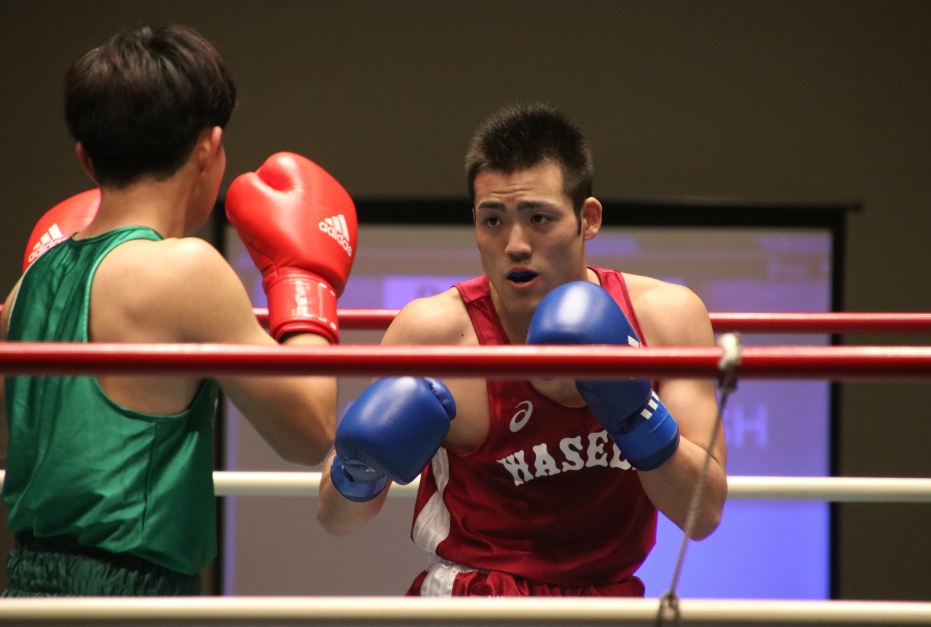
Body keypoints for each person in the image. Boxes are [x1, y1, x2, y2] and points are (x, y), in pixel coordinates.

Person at [0, 25, 357, 596]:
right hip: (130, 597)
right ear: (208, 148)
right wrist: (304, 282)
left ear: (86, 159)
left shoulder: (30, 284)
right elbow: (311, 430)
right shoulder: (185, 270)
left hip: (24, 586)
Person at [318, 103, 727, 597]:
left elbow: (701, 515)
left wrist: (635, 409)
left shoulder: (665, 319)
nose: (514, 243)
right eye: (493, 220)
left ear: (588, 219)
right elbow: (335, 520)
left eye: (539, 218)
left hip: (610, 601)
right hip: (475, 599)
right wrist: (357, 468)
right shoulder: (437, 333)